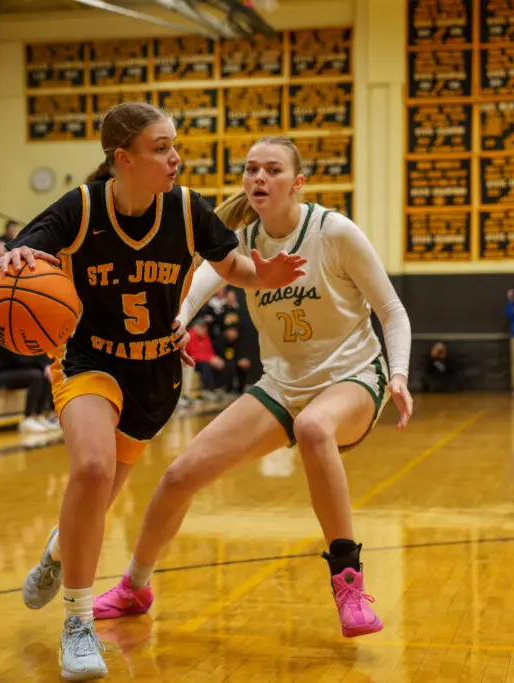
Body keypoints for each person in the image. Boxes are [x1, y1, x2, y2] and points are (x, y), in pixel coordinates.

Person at [0, 102, 306, 680]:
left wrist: (261, 275)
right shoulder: (82, 208)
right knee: (90, 470)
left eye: (174, 144)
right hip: (88, 363)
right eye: (161, 147)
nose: (175, 157)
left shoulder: (188, 210)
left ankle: (60, 551)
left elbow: (230, 265)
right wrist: (11, 257)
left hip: (154, 376)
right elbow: (23, 250)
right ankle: (78, 623)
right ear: (124, 159)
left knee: (99, 498)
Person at [90, 135, 413, 642]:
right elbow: (197, 285)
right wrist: (176, 320)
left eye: (273, 170)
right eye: (251, 169)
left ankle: (348, 582)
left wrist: (398, 372)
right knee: (179, 476)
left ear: (297, 183)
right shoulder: (240, 242)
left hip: (353, 376)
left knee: (313, 428)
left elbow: (392, 311)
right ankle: (135, 585)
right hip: (282, 385)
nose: (259, 178)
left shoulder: (334, 232)